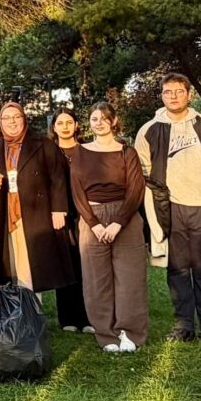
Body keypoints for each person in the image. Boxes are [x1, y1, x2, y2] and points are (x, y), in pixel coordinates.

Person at [135, 74, 201, 345]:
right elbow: (142, 171)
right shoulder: (149, 130)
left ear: (189, 94)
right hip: (171, 208)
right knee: (177, 268)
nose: (174, 96)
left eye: (179, 91)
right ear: (162, 96)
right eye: (168, 92)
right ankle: (183, 325)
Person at [69, 102, 147, 353]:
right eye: (94, 119)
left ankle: (129, 331)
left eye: (104, 118)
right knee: (96, 279)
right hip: (92, 217)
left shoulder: (128, 152)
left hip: (125, 216)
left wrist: (117, 222)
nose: (99, 123)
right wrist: (93, 224)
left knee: (129, 277)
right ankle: (106, 334)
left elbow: (136, 189)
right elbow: (76, 190)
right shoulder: (80, 152)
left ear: (113, 122)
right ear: (88, 123)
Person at [0, 103, 78, 317]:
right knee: (11, 264)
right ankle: (14, 313)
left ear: (24, 119)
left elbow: (58, 177)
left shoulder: (43, 144)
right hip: (5, 214)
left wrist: (59, 209)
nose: (12, 122)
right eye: (6, 118)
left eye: (16, 117)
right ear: (0, 122)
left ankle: (32, 312)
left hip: (34, 213)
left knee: (31, 264)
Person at [48, 108, 93, 333]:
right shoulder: (48, 151)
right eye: (60, 123)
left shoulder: (87, 151)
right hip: (58, 215)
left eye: (69, 122)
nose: (65, 126)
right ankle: (67, 318)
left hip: (84, 214)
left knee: (86, 263)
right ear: (53, 127)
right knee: (64, 263)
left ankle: (87, 317)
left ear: (76, 125)